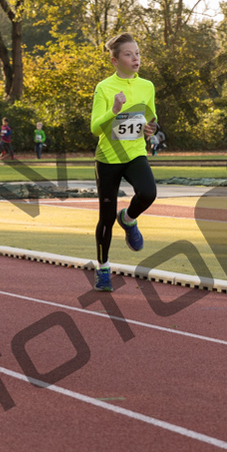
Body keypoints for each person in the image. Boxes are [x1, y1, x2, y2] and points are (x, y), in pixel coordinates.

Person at [90, 32, 158, 292]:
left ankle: (128, 219)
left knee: (148, 193)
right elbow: (96, 128)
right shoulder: (104, 88)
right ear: (114, 60)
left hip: (135, 154)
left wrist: (151, 128)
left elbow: (150, 117)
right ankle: (103, 268)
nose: (135, 58)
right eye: (128, 54)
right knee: (106, 217)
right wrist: (114, 110)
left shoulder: (147, 86)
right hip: (108, 158)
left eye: (138, 53)